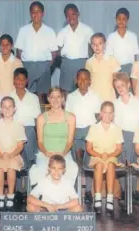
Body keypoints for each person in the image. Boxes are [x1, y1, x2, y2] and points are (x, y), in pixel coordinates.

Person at [29, 87, 78, 186]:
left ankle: (63, 197)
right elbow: (40, 142)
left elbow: (69, 142)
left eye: (58, 97)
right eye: (52, 97)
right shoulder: (41, 118)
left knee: (72, 168)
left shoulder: (71, 117)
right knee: (41, 170)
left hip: (63, 154)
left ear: (63, 98)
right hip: (46, 154)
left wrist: (62, 153)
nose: (55, 100)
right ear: (48, 99)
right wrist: (47, 153)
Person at [65, 68, 101, 201]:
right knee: (76, 161)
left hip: (90, 131)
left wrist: (93, 132)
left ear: (90, 81)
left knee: (89, 161)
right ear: (76, 80)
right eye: (80, 78)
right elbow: (69, 117)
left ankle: (89, 191)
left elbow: (98, 116)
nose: (82, 81)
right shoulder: (71, 97)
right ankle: (75, 189)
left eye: (85, 79)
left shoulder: (95, 96)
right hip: (76, 130)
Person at [0, 97, 27, 208]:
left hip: (14, 155)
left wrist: (11, 155)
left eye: (10, 107)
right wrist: (1, 154)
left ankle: (10, 195)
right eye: (4, 107)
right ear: (1, 109)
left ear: (14, 109)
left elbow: (20, 145)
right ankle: (0, 195)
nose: (7, 109)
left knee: (10, 168)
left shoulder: (19, 125)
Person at [15, 1, 57, 102]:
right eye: (33, 12)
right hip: (27, 65)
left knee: (43, 95)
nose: (36, 14)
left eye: (38, 12)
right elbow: (19, 49)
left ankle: (42, 116)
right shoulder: (23, 30)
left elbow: (54, 52)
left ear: (43, 13)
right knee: (27, 92)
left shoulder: (49, 31)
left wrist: (47, 65)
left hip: (44, 66)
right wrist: (22, 64)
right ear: (30, 14)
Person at [86, 101, 124, 213]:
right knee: (98, 165)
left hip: (111, 156)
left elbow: (118, 149)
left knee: (111, 165)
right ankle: (97, 197)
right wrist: (100, 155)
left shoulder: (117, 129)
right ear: (100, 113)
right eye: (105, 113)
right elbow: (89, 148)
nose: (108, 116)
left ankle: (110, 198)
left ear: (113, 115)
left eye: (110, 113)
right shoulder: (93, 128)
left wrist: (109, 155)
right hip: (96, 155)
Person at [57, 3, 94, 93]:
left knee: (82, 89)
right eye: (67, 15)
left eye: (73, 14)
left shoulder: (87, 30)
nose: (70, 17)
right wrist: (63, 63)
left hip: (82, 63)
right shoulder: (62, 32)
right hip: (67, 64)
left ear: (78, 14)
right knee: (66, 91)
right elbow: (57, 50)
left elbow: (92, 48)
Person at [113, 72, 139, 200]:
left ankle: (133, 191)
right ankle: (124, 191)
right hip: (121, 136)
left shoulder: (136, 102)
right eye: (117, 87)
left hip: (135, 136)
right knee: (122, 163)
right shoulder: (115, 104)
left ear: (128, 84)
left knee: (133, 162)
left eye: (122, 85)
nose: (120, 89)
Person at [10, 68, 41, 167]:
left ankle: (27, 166)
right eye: (18, 79)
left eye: (23, 79)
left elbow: (37, 120)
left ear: (27, 81)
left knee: (28, 132)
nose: (20, 82)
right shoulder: (8, 97)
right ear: (14, 80)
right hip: (13, 130)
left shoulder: (33, 97)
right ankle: (27, 165)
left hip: (29, 132)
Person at [86, 33, 121, 102]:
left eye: (100, 43)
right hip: (94, 96)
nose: (97, 46)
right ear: (91, 46)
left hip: (109, 96)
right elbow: (88, 80)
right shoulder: (89, 62)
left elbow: (116, 79)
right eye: (94, 44)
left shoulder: (112, 59)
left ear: (105, 44)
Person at [106, 8, 139, 75]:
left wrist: (136, 68)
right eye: (119, 18)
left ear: (127, 20)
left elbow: (136, 54)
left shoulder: (133, 36)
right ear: (116, 19)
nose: (121, 21)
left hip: (131, 68)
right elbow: (109, 56)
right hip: (116, 69)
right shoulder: (111, 37)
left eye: (124, 19)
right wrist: (115, 70)